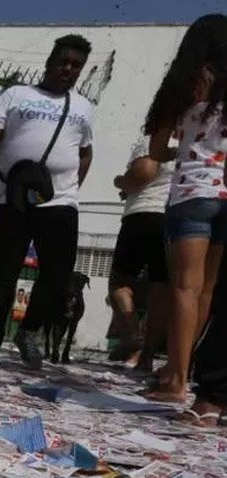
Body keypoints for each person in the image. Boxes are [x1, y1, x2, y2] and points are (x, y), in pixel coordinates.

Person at [0, 35, 95, 370]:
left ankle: (29, 332)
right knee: (3, 273)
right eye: (63, 61)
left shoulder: (82, 107)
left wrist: (70, 187)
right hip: (11, 195)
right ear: (50, 61)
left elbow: (85, 152)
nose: (68, 69)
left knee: (58, 272)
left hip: (58, 200)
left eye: (75, 65)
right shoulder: (16, 95)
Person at [143, 14, 227, 402]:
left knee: (184, 286)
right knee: (208, 290)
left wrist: (186, 151)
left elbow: (156, 152)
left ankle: (176, 379)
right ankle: (191, 368)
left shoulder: (182, 86)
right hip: (226, 195)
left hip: (192, 192)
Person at [109, 131, 174, 370]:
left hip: (142, 214)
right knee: (160, 289)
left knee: (118, 283)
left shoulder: (156, 137)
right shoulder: (192, 138)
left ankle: (133, 332)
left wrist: (120, 181)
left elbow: (143, 173)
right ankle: (146, 358)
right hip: (172, 217)